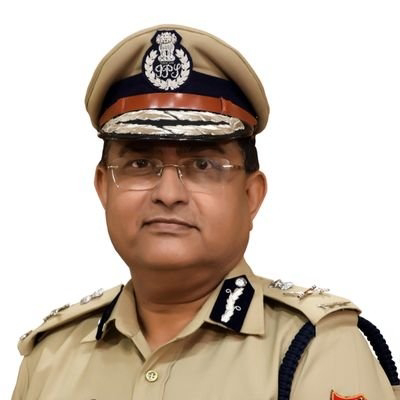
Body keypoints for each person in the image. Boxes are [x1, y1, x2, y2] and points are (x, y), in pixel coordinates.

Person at [12, 24, 399, 400]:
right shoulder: (50, 357)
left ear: (251, 195)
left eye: (203, 165)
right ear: (104, 188)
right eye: (140, 164)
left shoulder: (312, 349)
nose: (168, 194)